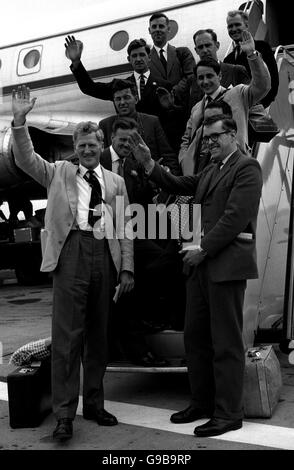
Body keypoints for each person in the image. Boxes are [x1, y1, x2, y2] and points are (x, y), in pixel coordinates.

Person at [11, 85, 134, 442]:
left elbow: (125, 227)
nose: (87, 151)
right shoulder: (57, 174)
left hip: (103, 255)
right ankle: (65, 414)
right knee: (67, 338)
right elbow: (25, 159)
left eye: (92, 145)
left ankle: (95, 403)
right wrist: (20, 122)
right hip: (70, 254)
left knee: (99, 335)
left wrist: (126, 268)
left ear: (101, 146)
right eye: (81, 147)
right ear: (74, 150)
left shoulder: (116, 183)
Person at [131, 114, 263, 437]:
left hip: (224, 265)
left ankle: (229, 412)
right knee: (196, 338)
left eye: (215, 137)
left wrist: (203, 248)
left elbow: (234, 218)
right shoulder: (211, 170)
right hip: (201, 268)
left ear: (232, 135)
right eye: (205, 139)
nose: (209, 144)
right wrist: (150, 164)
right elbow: (178, 185)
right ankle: (202, 402)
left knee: (226, 342)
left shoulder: (246, 167)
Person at [101, 118, 185, 341]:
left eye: (131, 140)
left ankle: (152, 315)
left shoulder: (135, 164)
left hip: (134, 231)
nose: (126, 145)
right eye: (122, 140)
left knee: (169, 259)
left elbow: (147, 202)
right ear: (111, 138)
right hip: (105, 234)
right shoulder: (97, 159)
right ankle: (133, 324)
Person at [65, 36, 185, 153]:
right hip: (126, 149)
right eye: (134, 56)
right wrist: (76, 62)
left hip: (156, 149)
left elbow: (178, 119)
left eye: (142, 55)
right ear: (129, 59)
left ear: (150, 58)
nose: (138, 59)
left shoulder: (165, 85)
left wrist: (171, 107)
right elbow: (89, 88)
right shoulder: (119, 87)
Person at [179, 30, 271, 173]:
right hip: (201, 172)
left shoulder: (237, 94)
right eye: (201, 78)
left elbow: (262, 86)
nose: (205, 81)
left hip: (233, 168)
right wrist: (185, 161)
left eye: (210, 76)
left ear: (220, 76)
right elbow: (186, 140)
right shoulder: (196, 108)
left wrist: (252, 55)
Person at [99, 79, 180, 175]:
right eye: (118, 99)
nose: (122, 102)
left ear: (136, 99)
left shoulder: (152, 122)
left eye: (126, 97)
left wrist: (169, 174)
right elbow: (101, 160)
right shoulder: (105, 125)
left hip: (151, 181)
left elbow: (168, 155)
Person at [148, 11, 195, 145]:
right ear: (149, 30)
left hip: (184, 117)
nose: (157, 30)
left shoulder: (182, 53)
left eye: (161, 26)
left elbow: (191, 76)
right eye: (154, 27)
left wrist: (172, 94)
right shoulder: (145, 60)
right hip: (160, 122)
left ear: (168, 29)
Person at [224, 9, 279, 109]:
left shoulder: (262, 47)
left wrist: (262, 106)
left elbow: (273, 79)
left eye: (237, 24)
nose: (233, 29)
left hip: (260, 108)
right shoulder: (228, 59)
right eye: (230, 26)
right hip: (239, 111)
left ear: (246, 26)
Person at [189, 28, 250, 109]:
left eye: (208, 45)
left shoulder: (236, 71)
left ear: (217, 45)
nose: (204, 50)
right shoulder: (192, 80)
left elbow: (252, 100)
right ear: (196, 50)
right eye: (200, 47)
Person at [180, 100, 233, 175]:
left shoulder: (241, 163)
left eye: (215, 119)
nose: (210, 124)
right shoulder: (206, 156)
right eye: (207, 120)